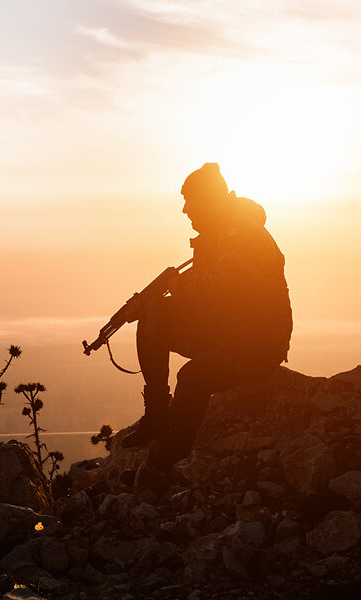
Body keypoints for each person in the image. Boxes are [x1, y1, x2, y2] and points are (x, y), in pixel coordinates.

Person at [122, 163, 293, 466]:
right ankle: (158, 415)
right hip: (229, 329)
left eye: (191, 201)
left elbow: (225, 287)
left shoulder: (241, 232)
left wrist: (179, 285)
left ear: (210, 200)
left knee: (191, 377)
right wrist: (154, 306)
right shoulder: (221, 233)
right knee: (155, 313)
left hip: (258, 341)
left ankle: (172, 456)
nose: (186, 210)